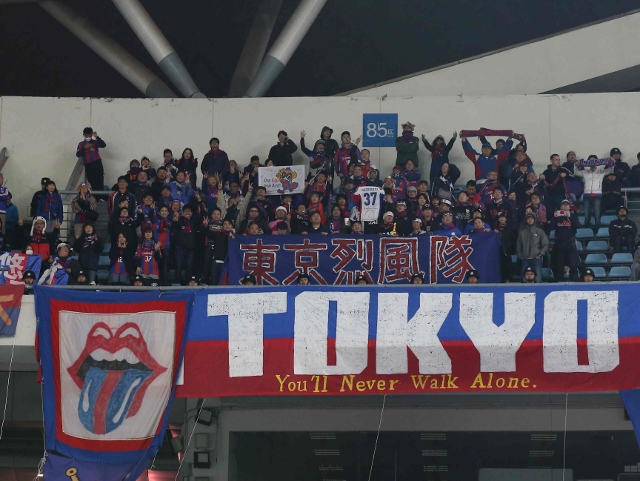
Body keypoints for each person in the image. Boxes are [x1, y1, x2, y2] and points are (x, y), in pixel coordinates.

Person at [574, 157, 614, 231]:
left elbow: (611, 169)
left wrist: (612, 161)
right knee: (587, 215)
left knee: (597, 214)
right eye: (591, 161)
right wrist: (575, 165)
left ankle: (597, 231)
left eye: (594, 161)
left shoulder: (601, 172)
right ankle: (586, 231)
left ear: (597, 162)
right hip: (586, 195)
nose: (593, 163)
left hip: (597, 195)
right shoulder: (584, 172)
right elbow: (576, 172)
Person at [550, 200, 580, 282]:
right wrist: (554, 218)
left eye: (567, 205)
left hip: (570, 244)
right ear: (560, 207)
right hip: (559, 244)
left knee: (573, 266)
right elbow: (551, 227)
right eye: (563, 205)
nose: (565, 207)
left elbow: (577, 226)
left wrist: (570, 217)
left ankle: (575, 283)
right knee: (559, 266)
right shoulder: (557, 216)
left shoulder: (573, 216)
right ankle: (559, 283)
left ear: (569, 207)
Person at [516, 213, 548, 283]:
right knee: (525, 279)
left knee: (538, 278)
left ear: (534, 220)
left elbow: (545, 244)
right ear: (526, 220)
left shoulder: (540, 231)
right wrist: (520, 255)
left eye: (532, 218)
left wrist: (540, 254)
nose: (530, 220)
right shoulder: (522, 233)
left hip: (536, 259)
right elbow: (518, 245)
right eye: (528, 218)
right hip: (525, 259)